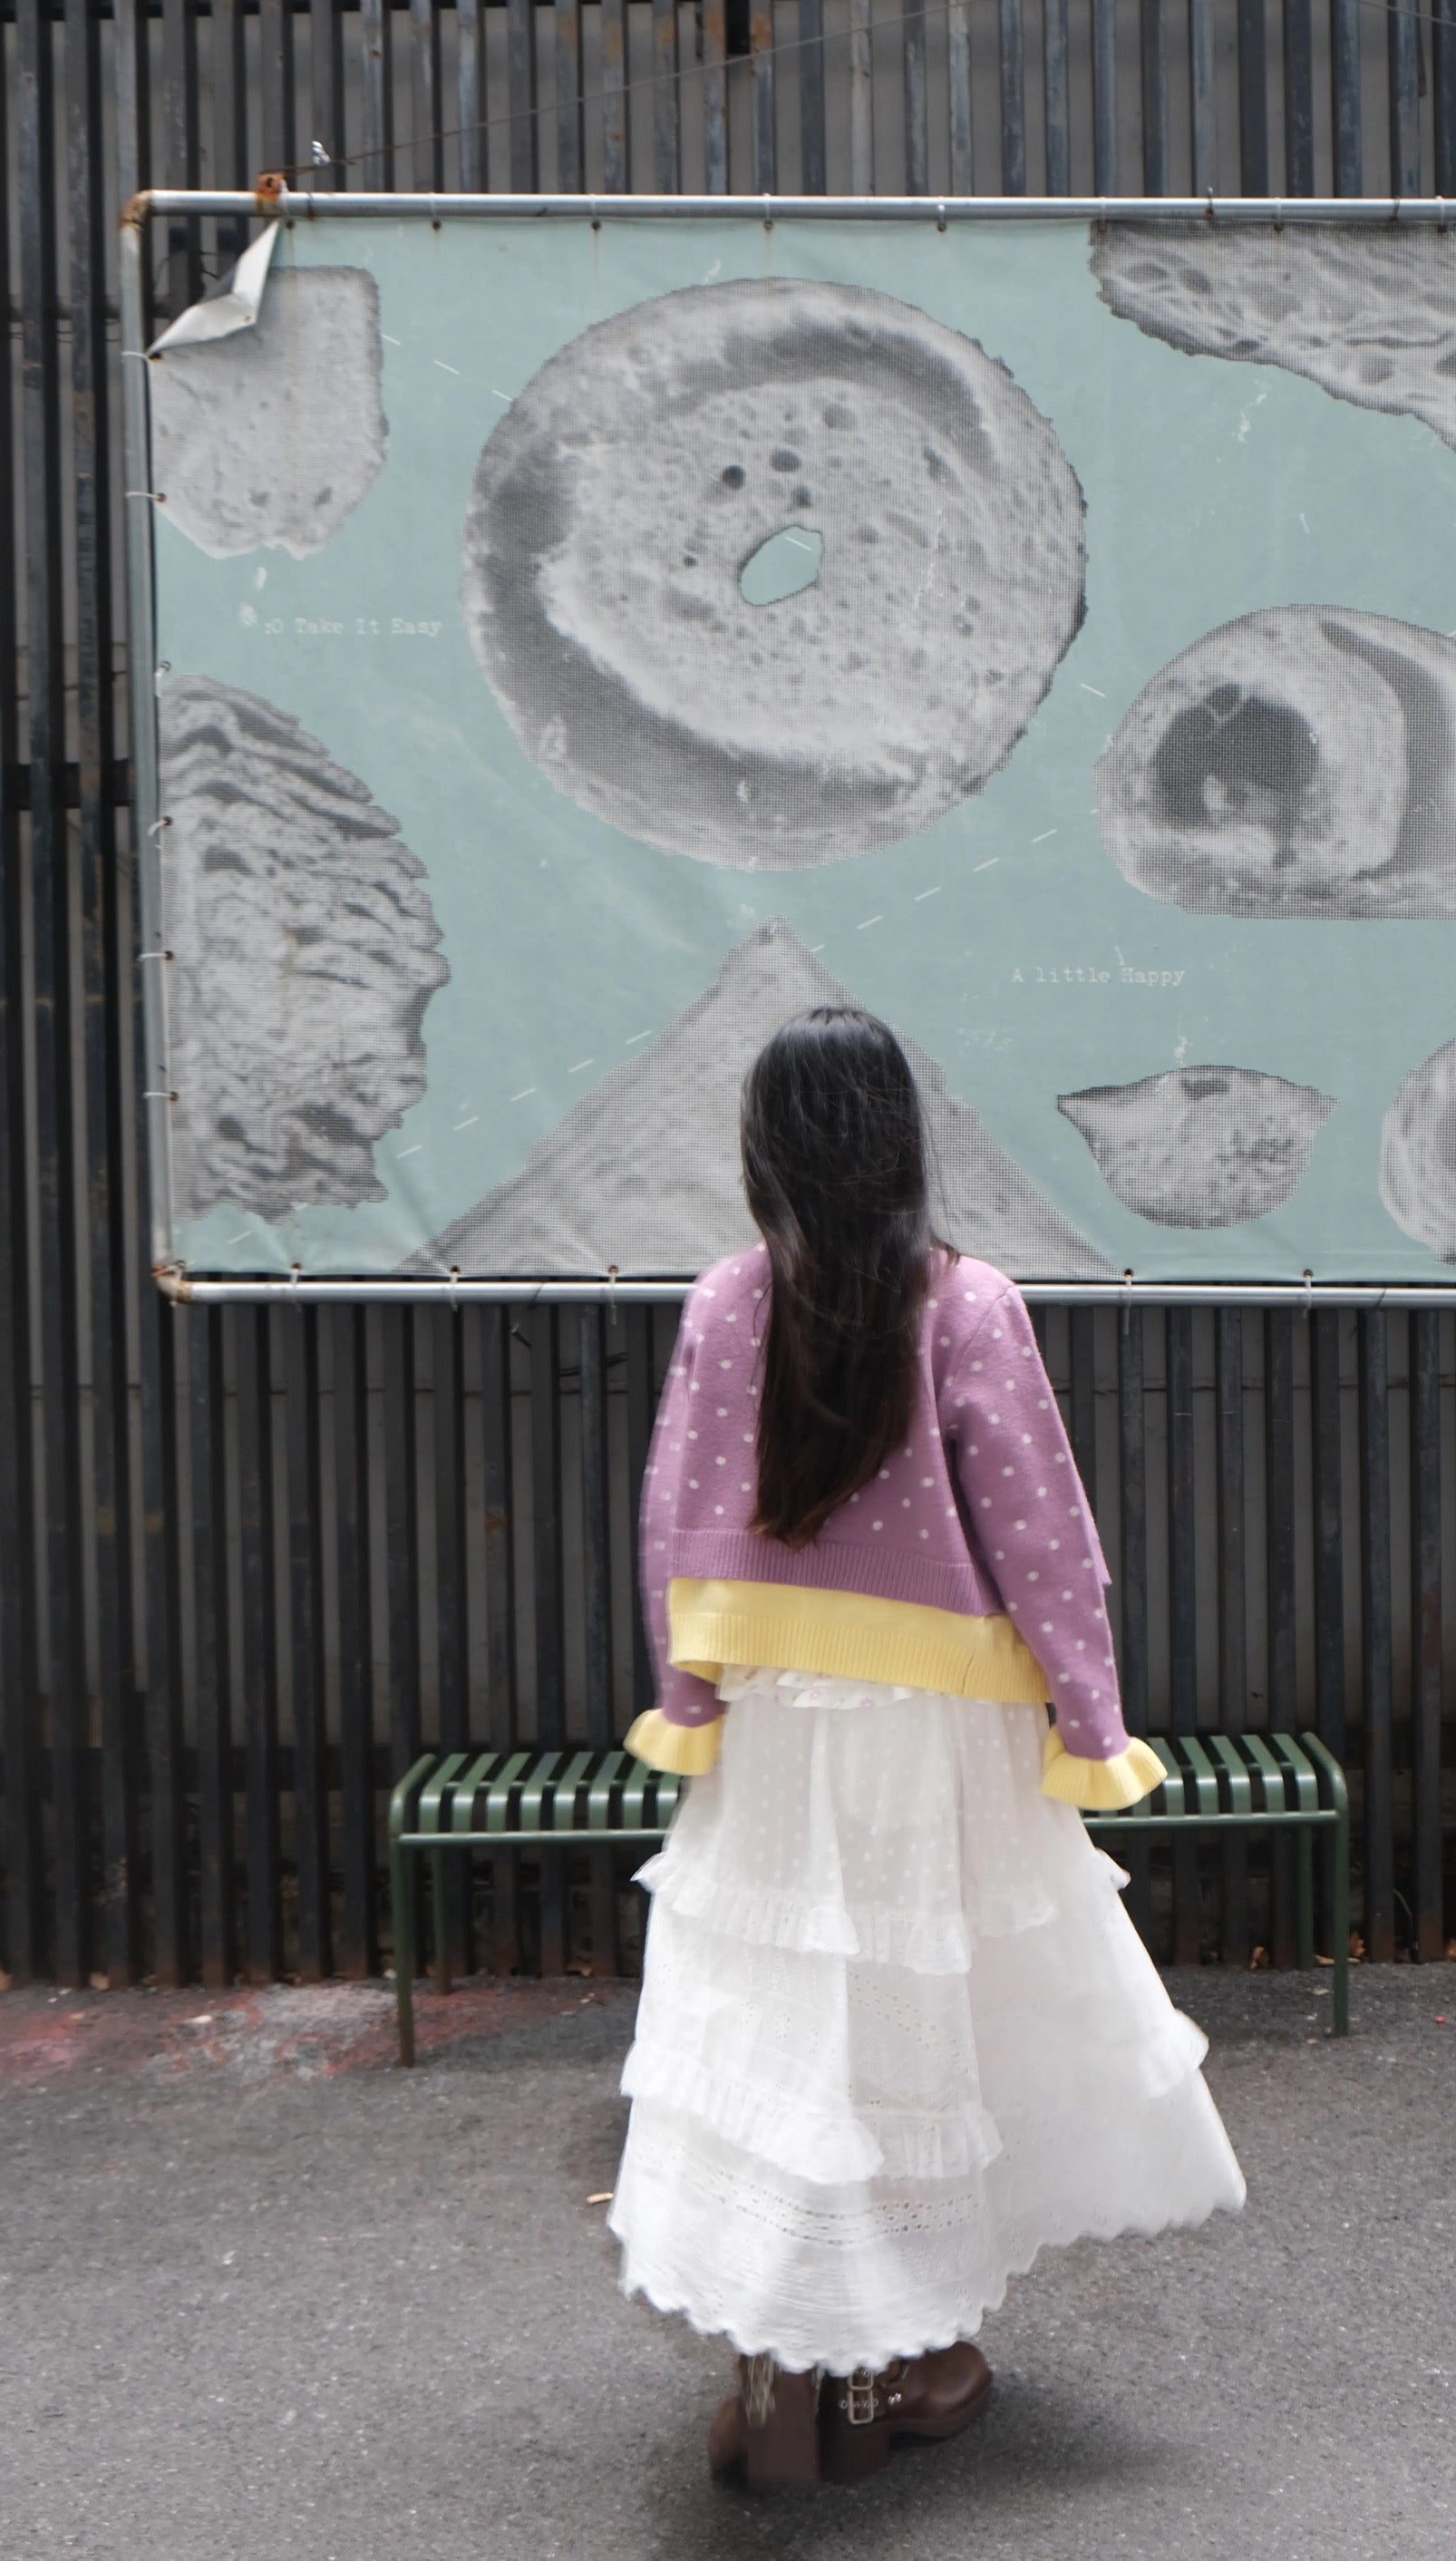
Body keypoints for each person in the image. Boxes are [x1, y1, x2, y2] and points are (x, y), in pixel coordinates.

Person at [609, 1006, 1245, 2489]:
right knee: (916, 2025)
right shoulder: (967, 1305)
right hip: (939, 1724)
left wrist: (689, 1692)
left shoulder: (724, 1302)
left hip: (777, 1723)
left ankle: (784, 2355)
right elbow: (1044, 1536)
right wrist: (1089, 1721)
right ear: (900, 1144)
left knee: (780, 2017)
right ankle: (894, 2363)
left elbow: (676, 1518)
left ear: (764, 1149)